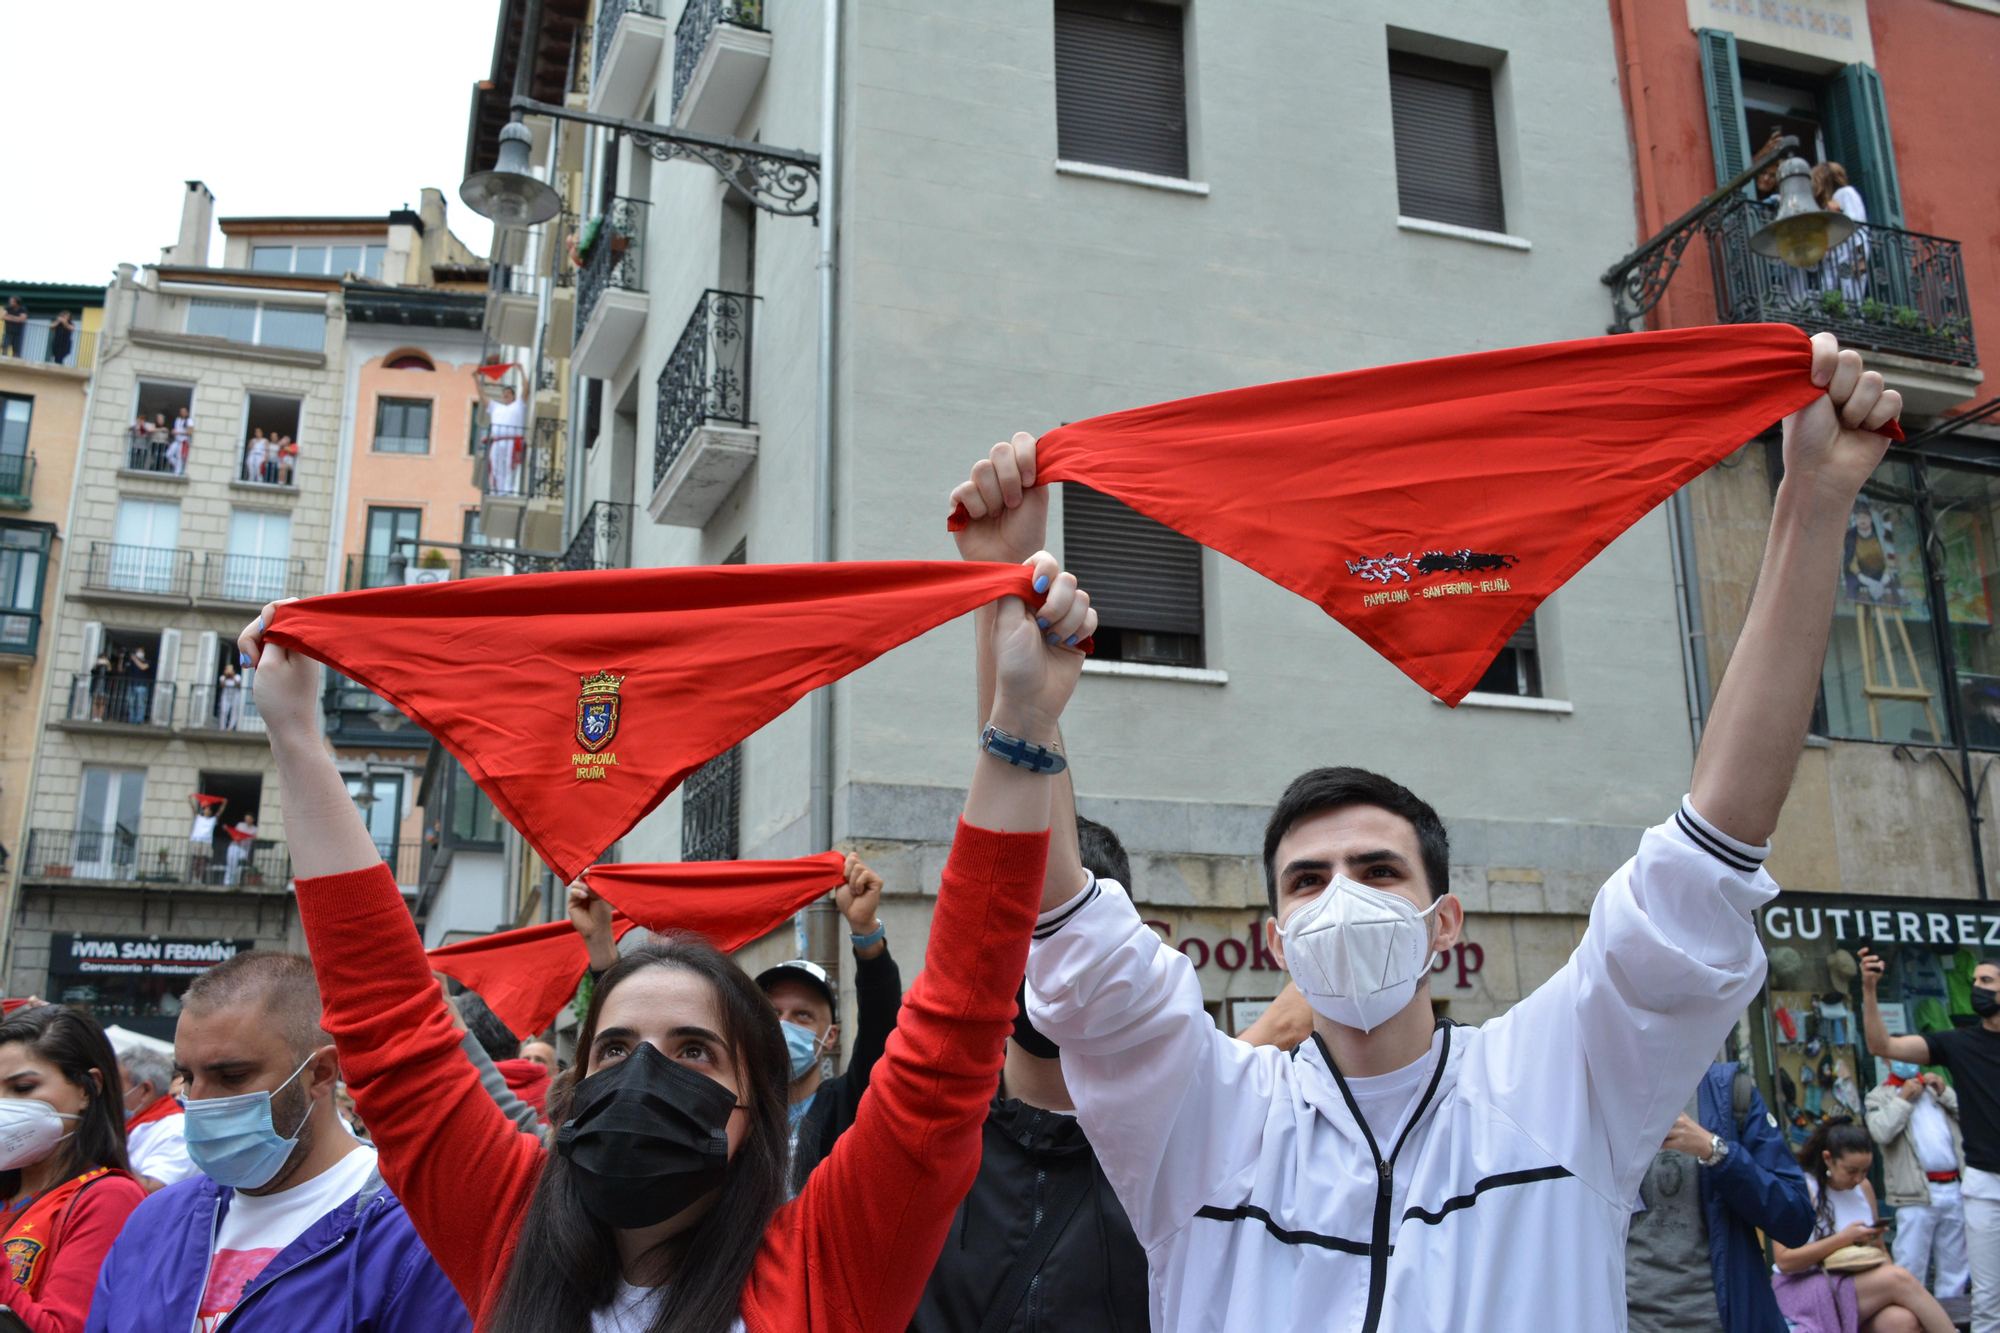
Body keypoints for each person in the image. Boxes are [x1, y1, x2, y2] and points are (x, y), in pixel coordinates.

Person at [949, 332, 1903, 1330]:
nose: (1341, 896)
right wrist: (1008, 630)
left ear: (1443, 921)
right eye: (1306, 879)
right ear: (1275, 941)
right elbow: (1057, 914)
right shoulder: (1205, 1116)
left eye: (1376, 869)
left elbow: (1714, 845)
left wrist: (1812, 502)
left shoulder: (1561, 1083)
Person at [233, 538, 1097, 1331]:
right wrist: (296, 734)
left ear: (754, 1107)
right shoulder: (506, 1230)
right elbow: (390, 1025)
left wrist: (1022, 722)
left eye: (693, 1050)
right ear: (573, 1087)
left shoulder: (825, 1264)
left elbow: (949, 1042)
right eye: (614, 1049)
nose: (643, 1074)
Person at [85, 951, 471, 1333]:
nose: (197, 1102)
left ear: (321, 1073)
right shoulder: (154, 1222)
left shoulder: (410, 1236)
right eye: (187, 1077)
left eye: (232, 1077)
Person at [1863, 948, 2000, 1333]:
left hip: (1960, 1187)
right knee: (1987, 1301)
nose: (1976, 988)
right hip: (1983, 1186)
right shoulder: (1958, 1043)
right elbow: (1882, 1046)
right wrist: (1869, 989)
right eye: (1975, 981)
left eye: (1986, 981)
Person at [1625, 1060, 1815, 1333]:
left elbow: (1797, 1221)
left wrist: (1716, 1152)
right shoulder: (1592, 1093)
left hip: (1720, 1319)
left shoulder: (1727, 1091)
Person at [0, 1003, 148, 1333]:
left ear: (87, 1089)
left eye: (22, 1089)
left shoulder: (109, 1197)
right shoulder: (7, 1194)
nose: (4, 1105)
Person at [747, 853, 892, 1182]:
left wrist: (865, 929)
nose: (782, 1025)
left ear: (830, 1036)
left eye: (803, 1015)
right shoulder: (731, 1110)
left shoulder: (848, 1107)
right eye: (772, 1013)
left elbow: (880, 1023)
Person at [1770, 1117, 1954, 1333]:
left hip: (1855, 1283)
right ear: (1828, 1159)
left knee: (1903, 1321)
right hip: (1802, 1287)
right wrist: (1843, 1240)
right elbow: (1784, 1260)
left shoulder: (1864, 1188)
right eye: (1851, 1171)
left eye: (1865, 1171)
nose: (1858, 1178)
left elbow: (1880, 1249)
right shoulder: (1803, 1189)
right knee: (1899, 1278)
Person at [1865, 1061, 1968, 1304]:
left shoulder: (1935, 1090)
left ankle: (1950, 1320)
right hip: (1914, 1193)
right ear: (1886, 1061)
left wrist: (1945, 1093)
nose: (1906, 1062)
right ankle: (1910, 1318)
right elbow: (1880, 1132)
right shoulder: (1879, 1096)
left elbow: (1973, 1120)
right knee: (1910, 1265)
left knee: (1956, 1269)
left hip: (1954, 1187)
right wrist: (1903, 1099)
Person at [114, 1040, 195, 1192]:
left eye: (116, 1086)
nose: (110, 1093)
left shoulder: (178, 1130)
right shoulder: (136, 1124)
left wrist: (108, 1147)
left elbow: (152, 1190)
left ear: (145, 1090)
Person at [486, 388, 524, 497]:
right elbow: (483, 397)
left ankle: (508, 491)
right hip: (498, 441)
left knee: (509, 466)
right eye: (504, 393)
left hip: (511, 441)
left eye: (508, 393)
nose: (505, 395)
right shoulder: (496, 407)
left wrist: (523, 376)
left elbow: (525, 391)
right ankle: (499, 490)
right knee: (496, 466)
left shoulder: (518, 405)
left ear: (513, 396)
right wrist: (476, 381)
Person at [224, 813, 257, 886]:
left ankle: (236, 882)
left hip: (244, 849)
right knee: (231, 864)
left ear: (253, 819)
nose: (248, 820)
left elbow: (253, 842)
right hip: (235, 846)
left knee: (240, 866)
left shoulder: (255, 829)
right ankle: (228, 882)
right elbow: (235, 834)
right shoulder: (240, 825)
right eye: (246, 818)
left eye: (249, 819)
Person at [123, 648, 151, 724]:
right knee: (131, 703)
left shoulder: (147, 662)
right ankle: (131, 719)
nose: (138, 653)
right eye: (137, 652)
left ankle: (139, 720)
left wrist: (135, 659)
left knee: (140, 703)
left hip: (142, 686)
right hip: (132, 685)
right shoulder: (132, 662)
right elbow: (122, 669)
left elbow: (143, 667)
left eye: (140, 652)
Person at [217, 661, 242, 731]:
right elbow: (221, 684)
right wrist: (226, 676)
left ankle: (230, 727)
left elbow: (237, 684)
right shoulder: (223, 677)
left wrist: (232, 676)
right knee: (224, 711)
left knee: (234, 711)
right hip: (225, 695)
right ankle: (222, 726)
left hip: (235, 696)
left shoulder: (237, 677)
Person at [168, 409, 192, 477]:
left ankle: (178, 472)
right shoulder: (178, 420)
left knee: (180, 457)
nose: (182, 413)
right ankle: (177, 467)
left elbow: (190, 432)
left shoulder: (189, 420)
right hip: (177, 440)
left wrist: (179, 431)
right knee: (169, 454)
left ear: (187, 413)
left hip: (183, 441)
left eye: (184, 412)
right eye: (181, 412)